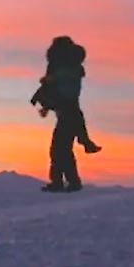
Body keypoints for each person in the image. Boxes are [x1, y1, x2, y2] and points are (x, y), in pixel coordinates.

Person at [32, 36, 101, 193]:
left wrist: (49, 89)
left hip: (67, 113)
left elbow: (63, 94)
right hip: (70, 113)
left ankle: (64, 182)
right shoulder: (71, 70)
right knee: (62, 149)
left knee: (59, 150)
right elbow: (64, 92)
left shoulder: (63, 72)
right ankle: (67, 181)